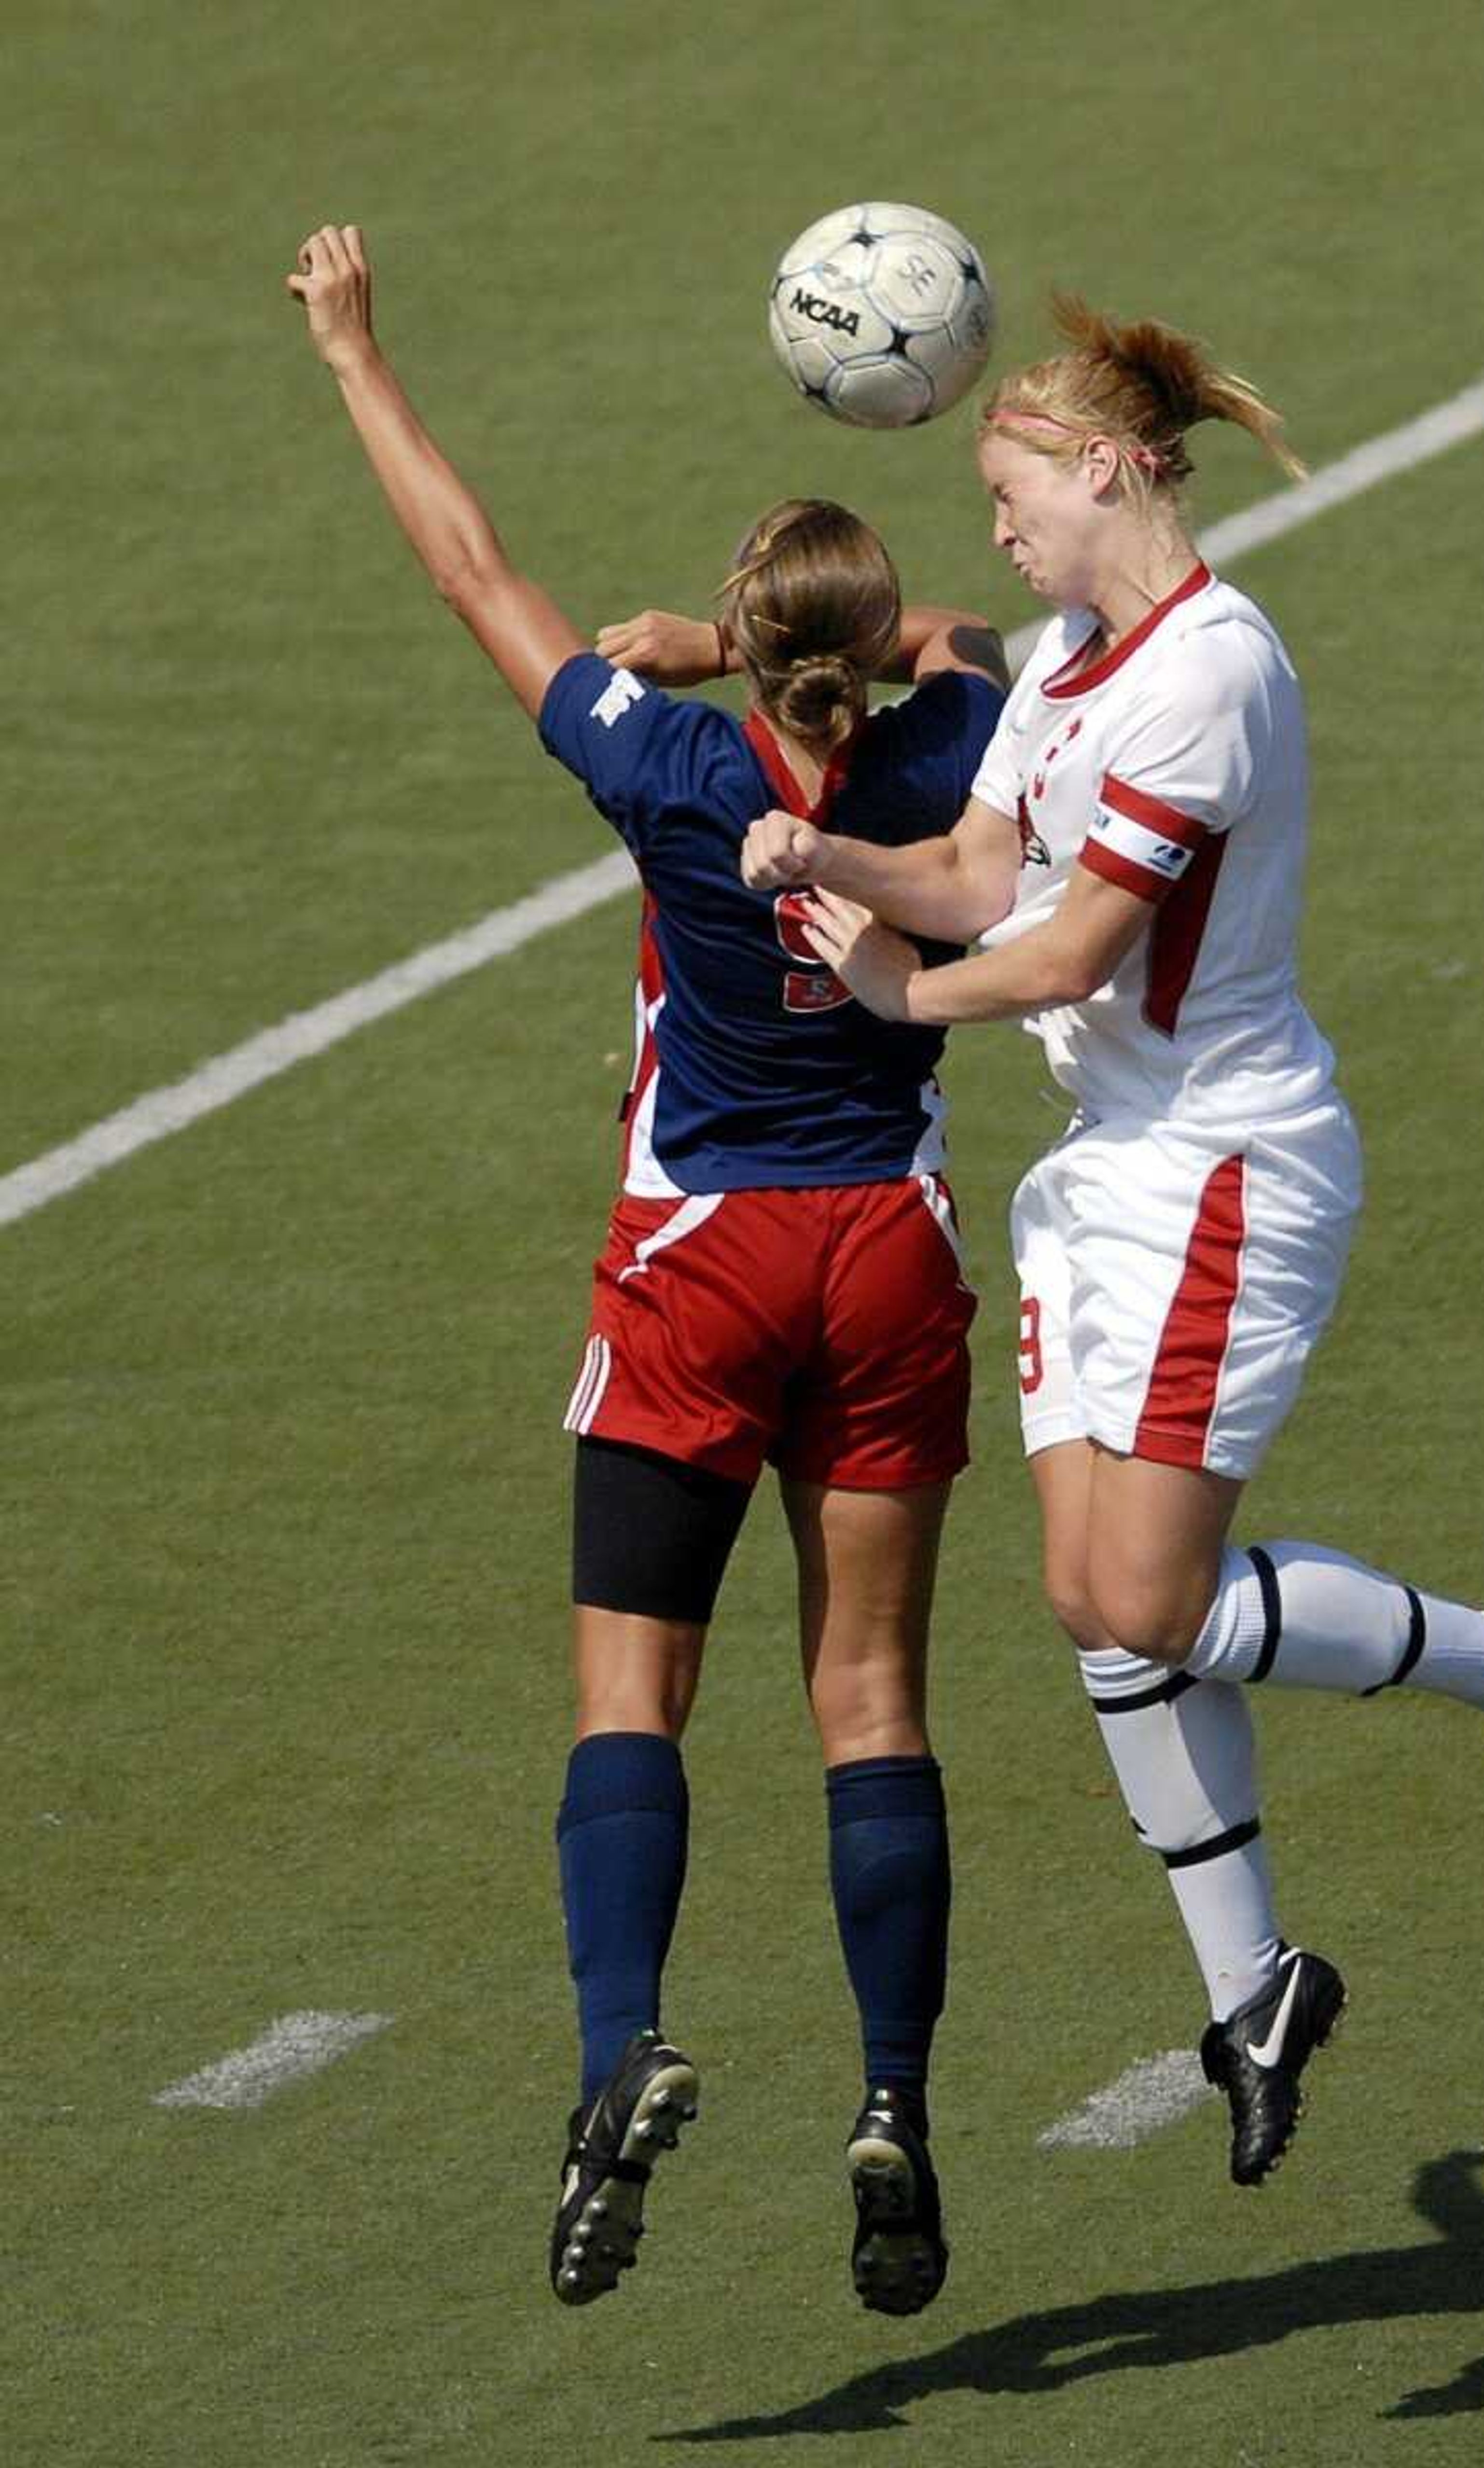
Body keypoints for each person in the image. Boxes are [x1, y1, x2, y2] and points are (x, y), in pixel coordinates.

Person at [743, 295, 1484, 2191]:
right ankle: (1256, 1986)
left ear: (1102, 469)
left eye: (1009, 495)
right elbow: (987, 874)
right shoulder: (1073, 656)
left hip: (1226, 1169)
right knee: (1093, 1602)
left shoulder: (1212, 672)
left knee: (1151, 1602)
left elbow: (1068, 954)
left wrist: (890, 994)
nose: (994, 538)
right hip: (1105, 1168)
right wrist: (831, 862)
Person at [287, 224, 1009, 2311]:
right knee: (870, 1698)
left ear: (740, 643)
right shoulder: (948, 754)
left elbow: (474, 569)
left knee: (634, 1694)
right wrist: (850, 649)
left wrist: (353, 347)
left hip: (696, 1267)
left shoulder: (671, 766)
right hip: (884, 1259)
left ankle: (622, 2052)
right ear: (864, 660)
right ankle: (894, 2103)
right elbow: (967, 642)